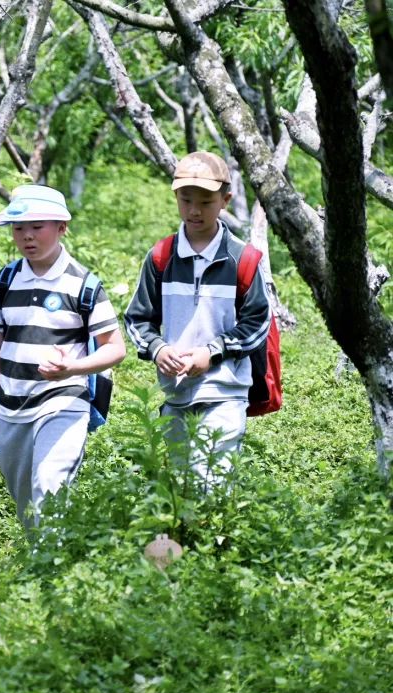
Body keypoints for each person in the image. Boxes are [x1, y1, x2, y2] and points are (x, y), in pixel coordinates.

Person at [0, 185, 126, 532]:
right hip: (10, 410)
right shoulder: (4, 282)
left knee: (49, 493)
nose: (27, 236)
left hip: (63, 403)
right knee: (27, 508)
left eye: (37, 226)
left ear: (62, 227)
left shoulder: (84, 284)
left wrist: (71, 369)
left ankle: (55, 564)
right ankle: (48, 563)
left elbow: (115, 348)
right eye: (19, 228)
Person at [124, 151, 271, 488]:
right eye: (186, 200)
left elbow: (257, 322)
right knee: (182, 487)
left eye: (205, 202)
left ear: (225, 201)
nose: (194, 210)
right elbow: (137, 318)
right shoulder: (161, 257)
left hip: (225, 391)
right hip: (175, 394)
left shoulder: (242, 259)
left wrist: (212, 352)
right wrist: (159, 349)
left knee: (213, 484)